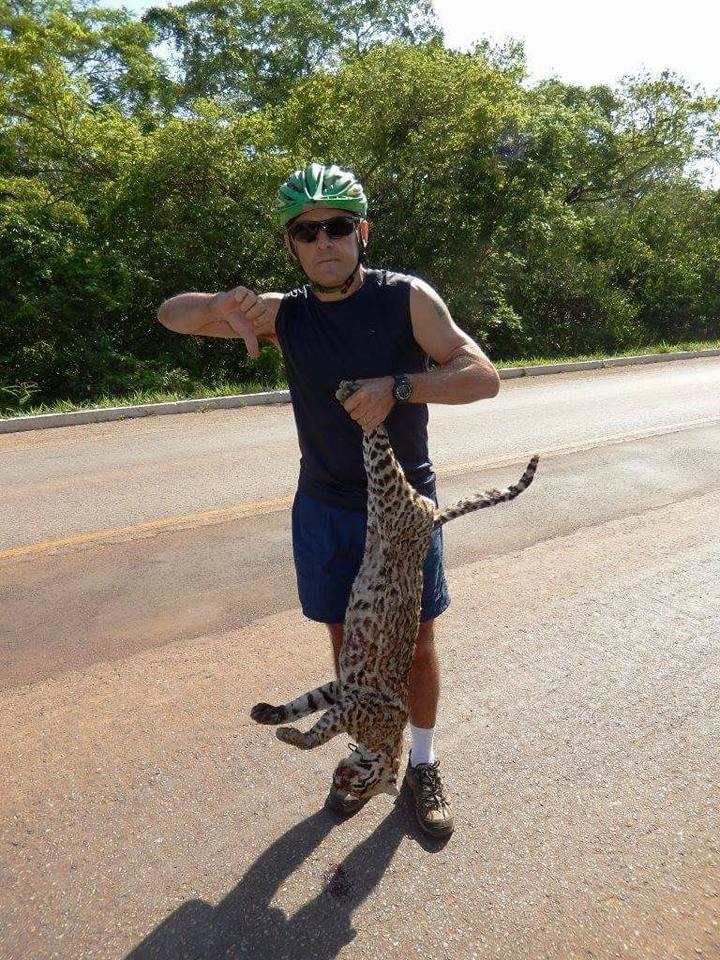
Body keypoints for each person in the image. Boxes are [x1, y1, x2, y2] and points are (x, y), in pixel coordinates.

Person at [158, 162, 500, 838]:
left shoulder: (405, 298)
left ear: (362, 231)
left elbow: (481, 376)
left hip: (401, 510)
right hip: (324, 506)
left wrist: (401, 387)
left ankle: (423, 763)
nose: (323, 241)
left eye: (337, 226)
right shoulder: (285, 315)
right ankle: (370, 755)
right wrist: (219, 307)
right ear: (292, 245)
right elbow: (170, 315)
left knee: (415, 642)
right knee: (347, 645)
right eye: (306, 231)